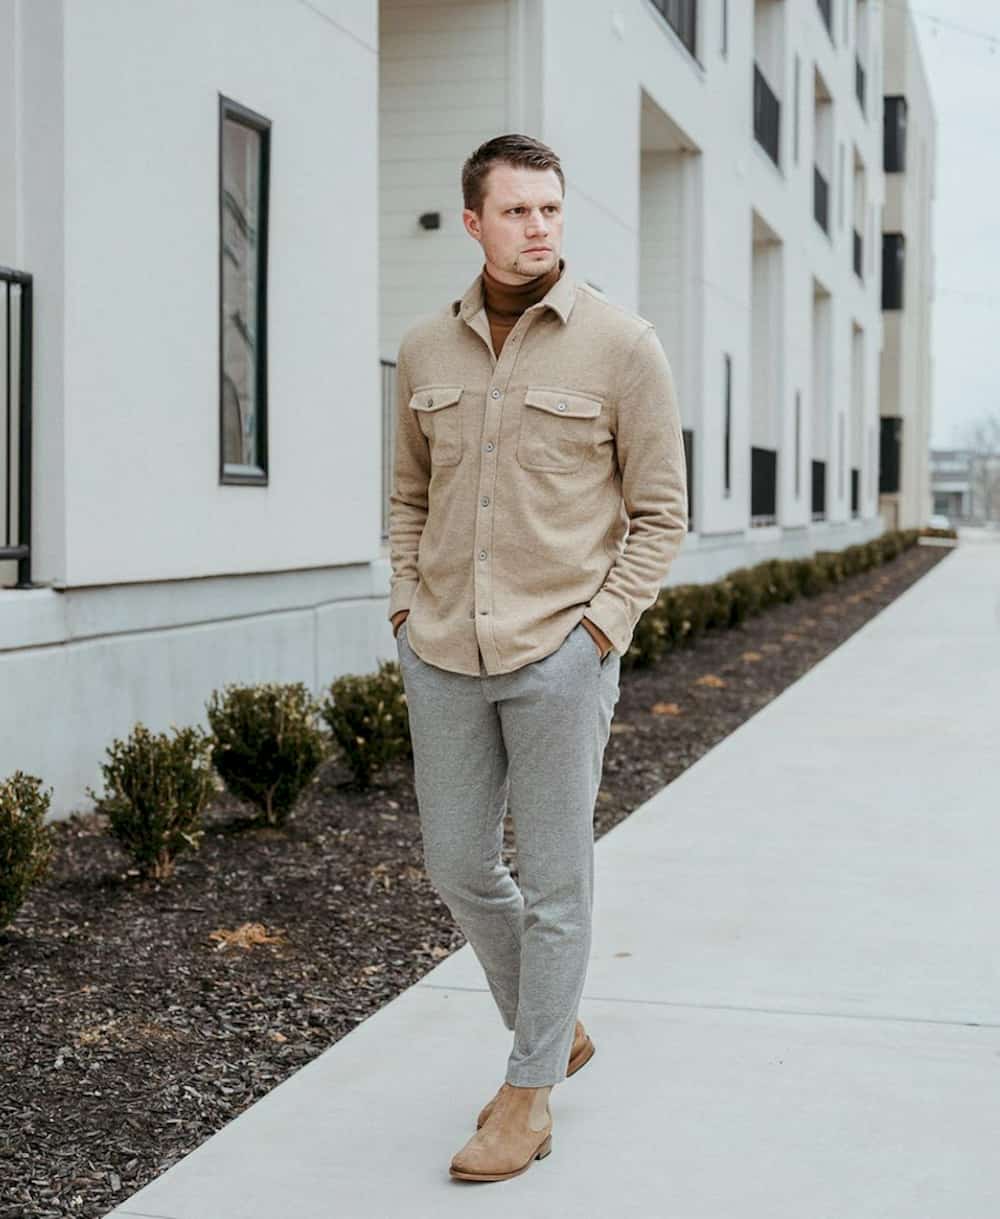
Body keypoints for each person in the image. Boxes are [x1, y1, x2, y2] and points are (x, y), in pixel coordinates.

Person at [386, 133, 688, 1182]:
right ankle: (555, 1026)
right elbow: (408, 494)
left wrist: (597, 634)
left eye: (550, 208)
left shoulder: (620, 345)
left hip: (558, 649)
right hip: (441, 647)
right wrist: (400, 608)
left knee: (556, 879)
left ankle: (527, 1096)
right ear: (472, 220)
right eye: (515, 211)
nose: (538, 227)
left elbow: (660, 513)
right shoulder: (426, 348)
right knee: (460, 864)